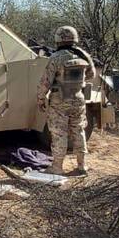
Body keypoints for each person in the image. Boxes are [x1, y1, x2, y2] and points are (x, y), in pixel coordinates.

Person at [36, 26, 97, 175]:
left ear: (58, 39)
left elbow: (45, 82)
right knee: (79, 131)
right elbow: (92, 74)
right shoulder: (83, 55)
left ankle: (57, 167)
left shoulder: (56, 57)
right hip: (78, 98)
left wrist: (41, 98)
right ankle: (82, 166)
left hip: (60, 100)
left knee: (59, 133)